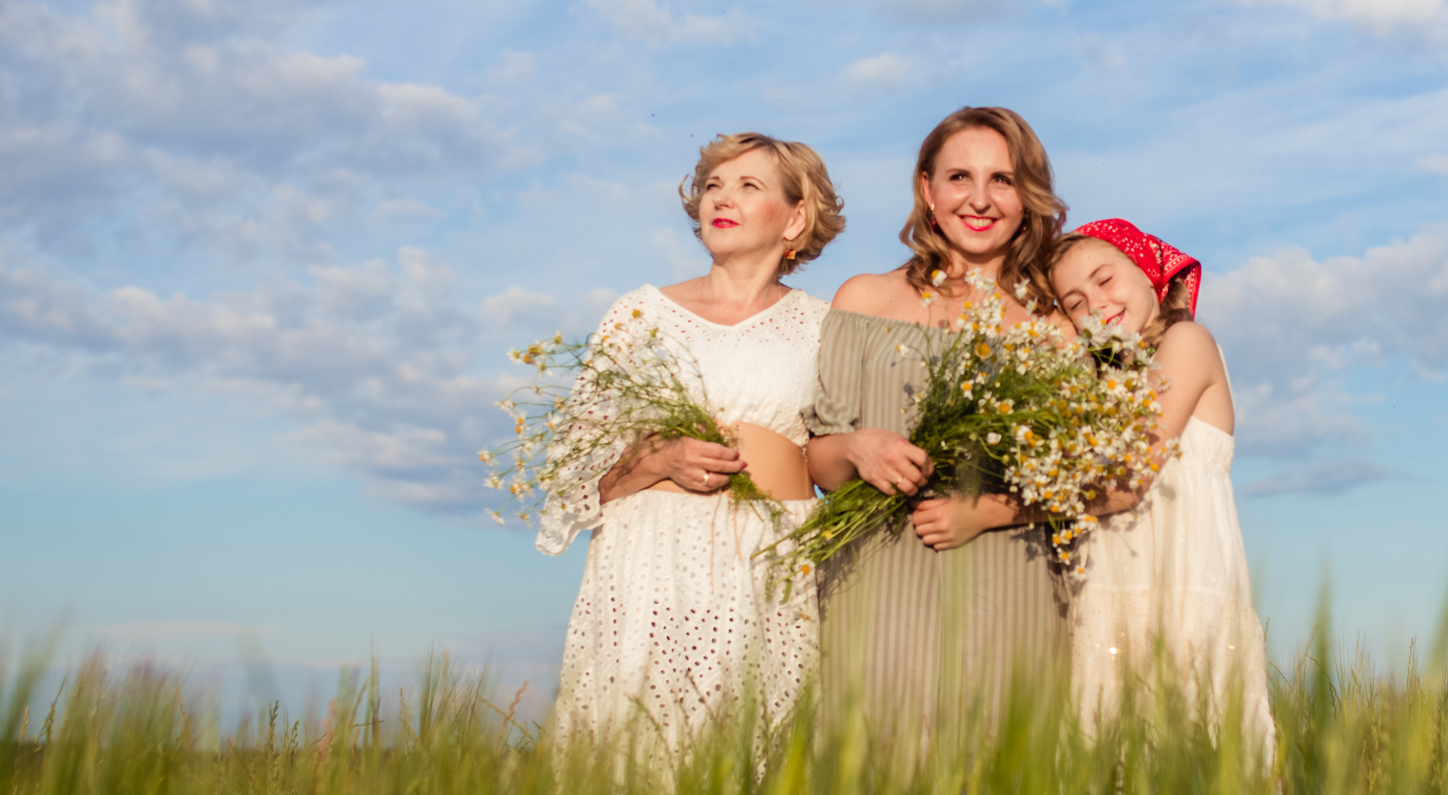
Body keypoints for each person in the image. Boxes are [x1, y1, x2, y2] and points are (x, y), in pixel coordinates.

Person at [537, 133, 842, 756]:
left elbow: (836, 457)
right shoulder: (639, 316)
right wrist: (655, 460)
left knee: (757, 765)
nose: (719, 198)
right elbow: (570, 477)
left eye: (747, 186)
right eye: (712, 186)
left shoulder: (824, 325)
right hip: (649, 565)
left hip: (770, 565)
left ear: (796, 216)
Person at [805, 106, 1070, 735]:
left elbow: (1077, 485)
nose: (980, 199)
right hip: (876, 584)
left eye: (1002, 180)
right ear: (926, 188)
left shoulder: (1054, 329)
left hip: (1013, 586)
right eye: (959, 178)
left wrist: (991, 511)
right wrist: (859, 447)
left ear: (1027, 195)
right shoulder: (865, 298)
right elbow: (818, 462)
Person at [1048, 218, 1273, 755]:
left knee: (1197, 740)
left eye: (1105, 280)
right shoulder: (1097, 380)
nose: (1095, 305)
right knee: (1105, 748)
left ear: (1150, 272)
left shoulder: (1188, 341)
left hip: (1185, 589)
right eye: (1073, 302)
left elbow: (1127, 471)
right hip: (1107, 595)